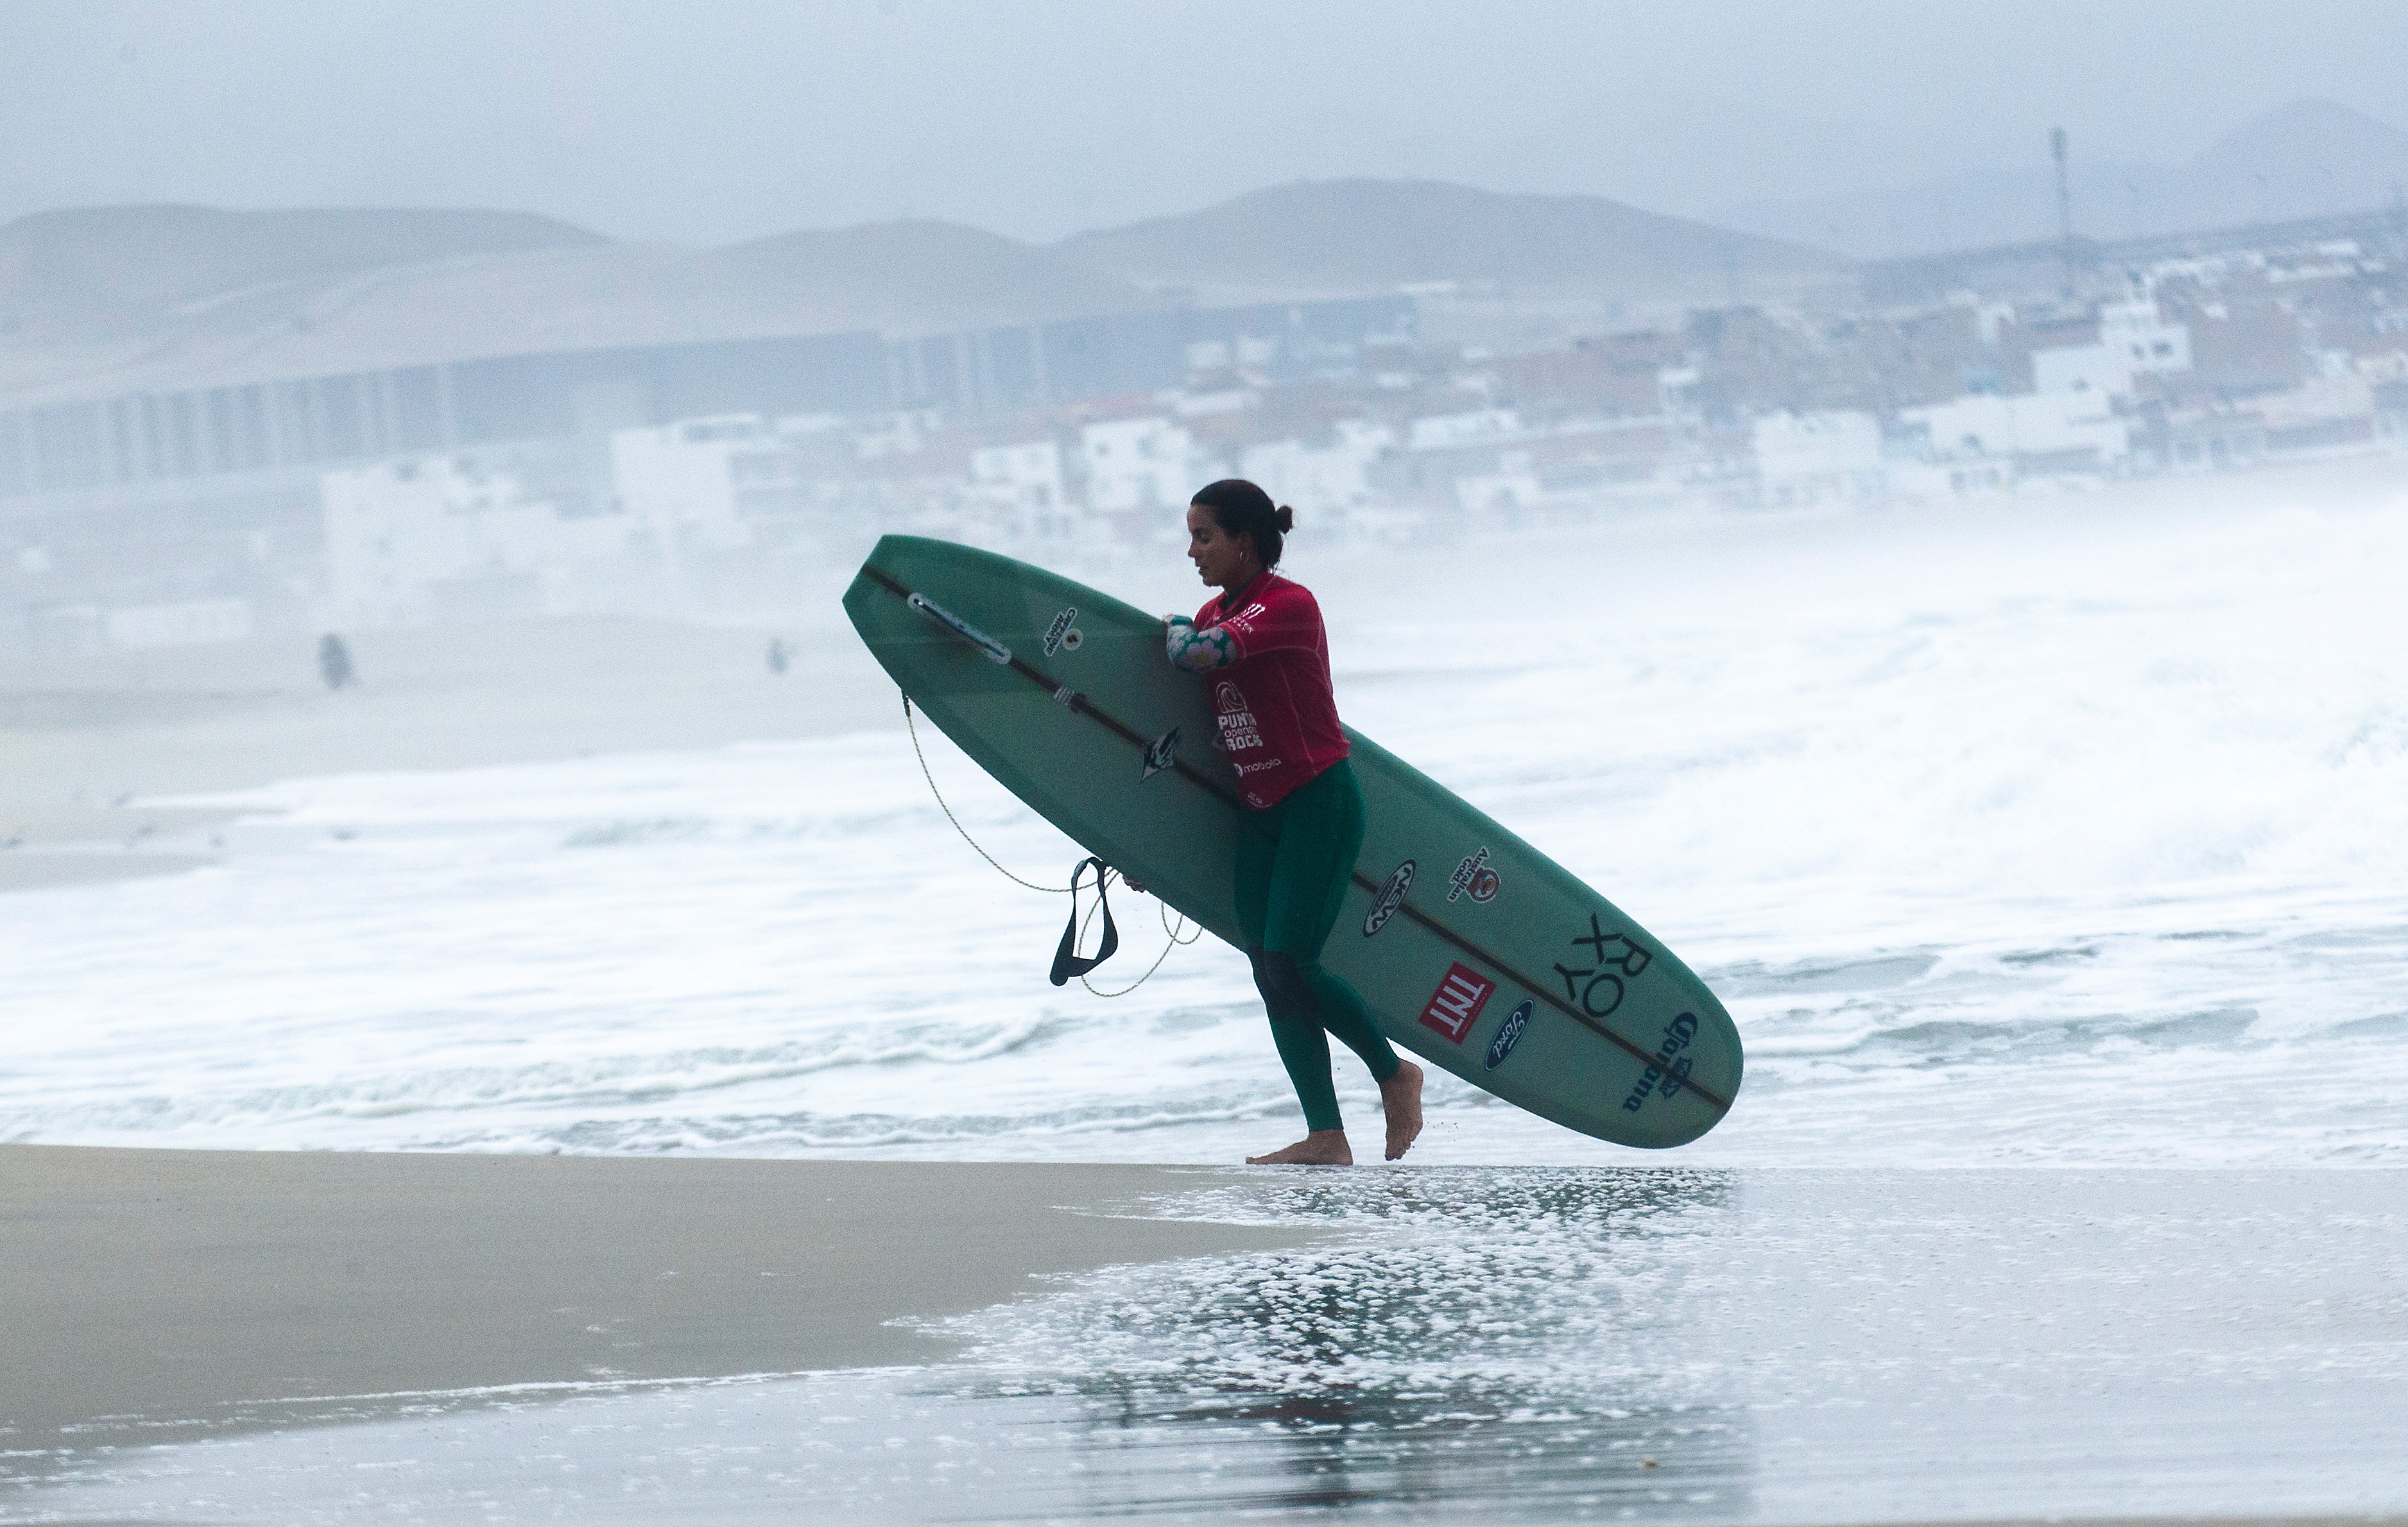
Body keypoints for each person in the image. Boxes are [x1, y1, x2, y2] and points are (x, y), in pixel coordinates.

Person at [1164, 479, 1423, 1165]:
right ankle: (1327, 1136)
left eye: (1203, 535)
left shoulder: (1288, 605)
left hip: (1316, 800)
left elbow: (1197, 654)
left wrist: (1174, 631)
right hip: (1256, 811)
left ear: (1243, 540)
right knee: (1267, 971)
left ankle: (1394, 1074)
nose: (1191, 550)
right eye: (1190, 536)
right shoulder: (1213, 611)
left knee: (1291, 962)